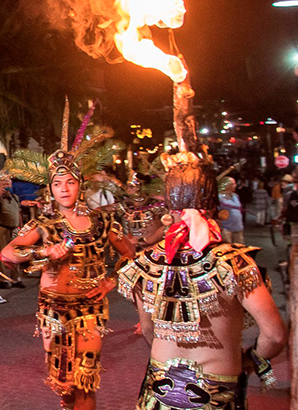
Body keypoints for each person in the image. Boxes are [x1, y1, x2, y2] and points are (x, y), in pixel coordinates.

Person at [118, 148, 286, 409]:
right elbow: (274, 335)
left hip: (159, 389)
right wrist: (252, 362)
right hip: (216, 393)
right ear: (213, 205)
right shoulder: (234, 263)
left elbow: (149, 331)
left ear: (168, 206)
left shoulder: (144, 263)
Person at [1, 148, 134, 410]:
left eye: (70, 182)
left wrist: (111, 281)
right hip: (53, 310)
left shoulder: (103, 221)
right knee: (65, 384)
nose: (64, 189)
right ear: (51, 189)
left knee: (85, 379)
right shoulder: (44, 223)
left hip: (89, 310)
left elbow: (129, 253)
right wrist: (44, 251)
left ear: (80, 186)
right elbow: (8, 253)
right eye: (57, 184)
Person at [0, 173, 24, 289]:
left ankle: (16, 278)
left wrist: (21, 228)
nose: (6, 186)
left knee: (16, 253)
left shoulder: (14, 197)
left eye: (8, 183)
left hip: (13, 229)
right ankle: (2, 278)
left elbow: (18, 213)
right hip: (1, 228)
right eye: (3, 184)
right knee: (1, 254)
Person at [219, 177, 244, 244]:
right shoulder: (220, 197)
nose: (235, 185)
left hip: (238, 228)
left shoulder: (235, 196)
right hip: (226, 229)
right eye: (232, 184)